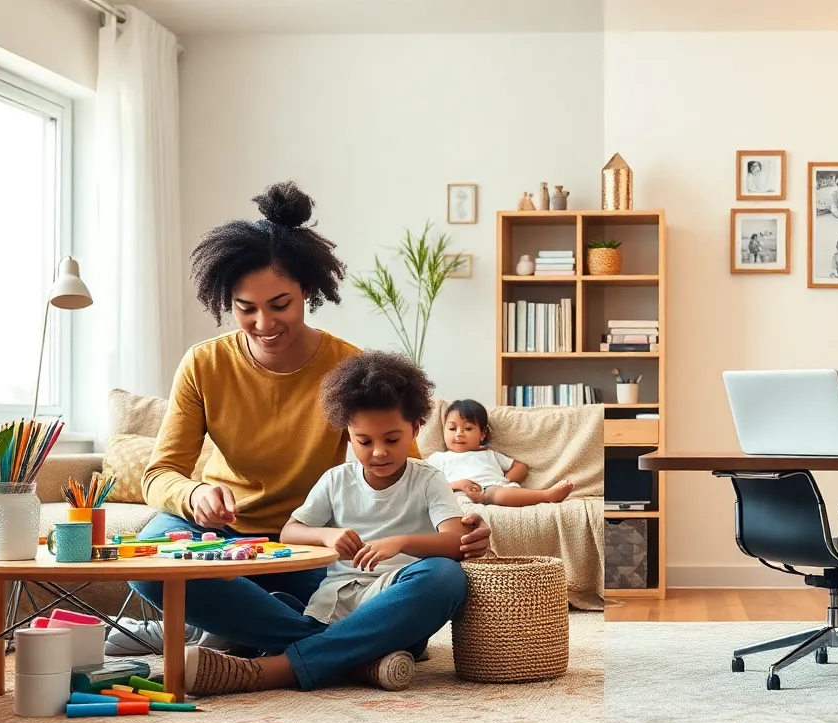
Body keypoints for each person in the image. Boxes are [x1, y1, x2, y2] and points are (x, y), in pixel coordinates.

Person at [130, 180, 491, 655]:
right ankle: (335, 649)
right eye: (246, 309)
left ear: (307, 291)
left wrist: (463, 525)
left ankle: (253, 633)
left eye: (280, 304)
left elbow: (402, 466)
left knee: (441, 579)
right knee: (147, 558)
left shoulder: (348, 367)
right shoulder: (204, 364)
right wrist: (193, 493)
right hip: (223, 543)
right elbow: (160, 475)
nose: (264, 324)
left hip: (318, 549)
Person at [180, 351, 471, 695]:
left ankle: (274, 668)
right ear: (347, 433)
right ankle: (362, 659)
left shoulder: (428, 479)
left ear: (415, 428)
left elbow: (454, 542)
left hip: (393, 603)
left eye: (392, 439)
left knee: (446, 577)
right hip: (332, 606)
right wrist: (327, 536)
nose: (378, 452)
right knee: (276, 600)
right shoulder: (336, 480)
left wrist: (401, 542)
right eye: (364, 441)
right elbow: (290, 531)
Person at [425, 399, 575, 507]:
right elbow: (426, 484)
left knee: (498, 493)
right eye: (452, 429)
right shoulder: (440, 458)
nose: (459, 434)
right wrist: (457, 485)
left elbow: (520, 467)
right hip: (460, 494)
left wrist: (506, 480)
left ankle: (547, 495)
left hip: (492, 489)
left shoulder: (489, 454)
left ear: (482, 434)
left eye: (468, 428)